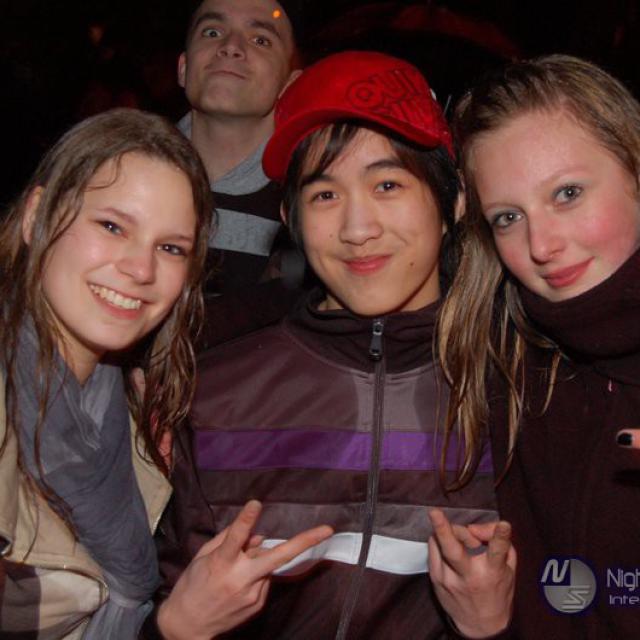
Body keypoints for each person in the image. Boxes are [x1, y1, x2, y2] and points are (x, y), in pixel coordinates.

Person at [157, 51, 511, 640]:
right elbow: (167, 598)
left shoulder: (515, 389)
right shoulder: (217, 391)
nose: (357, 229)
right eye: (324, 195)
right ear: (290, 218)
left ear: (452, 203)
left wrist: (492, 630)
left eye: (388, 184)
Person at [0, 108, 331, 640]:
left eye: (171, 247)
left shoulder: (134, 413)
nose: (141, 268)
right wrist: (176, 630)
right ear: (37, 217)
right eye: (112, 226)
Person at [439, 54, 640, 638]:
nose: (541, 245)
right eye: (507, 216)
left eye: (567, 193)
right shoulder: (503, 361)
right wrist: (487, 627)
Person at [177, 0, 305, 347]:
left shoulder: (311, 202)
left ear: (289, 85)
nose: (231, 47)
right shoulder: (121, 181)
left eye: (261, 39)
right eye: (212, 32)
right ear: (184, 68)